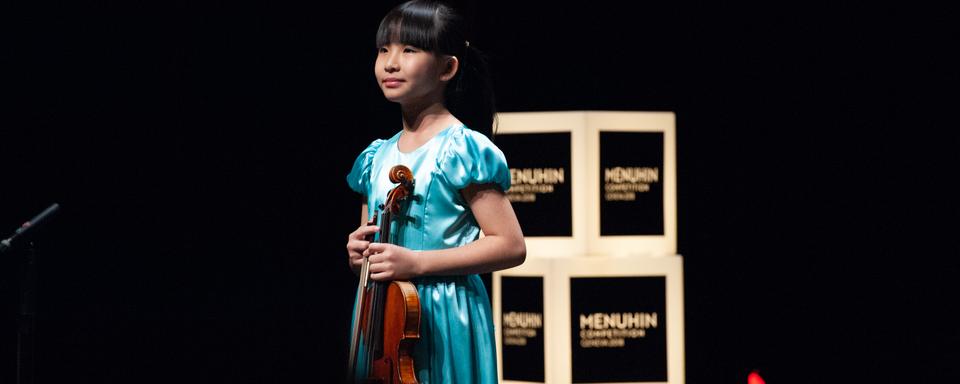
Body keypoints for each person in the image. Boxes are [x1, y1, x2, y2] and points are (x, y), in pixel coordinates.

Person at [344, 1, 526, 383]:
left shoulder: (461, 149)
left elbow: (510, 245)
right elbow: (371, 246)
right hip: (381, 316)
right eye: (384, 50)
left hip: (444, 316)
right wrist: (359, 253)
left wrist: (417, 264)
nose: (391, 63)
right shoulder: (377, 155)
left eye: (409, 50)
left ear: (447, 67)